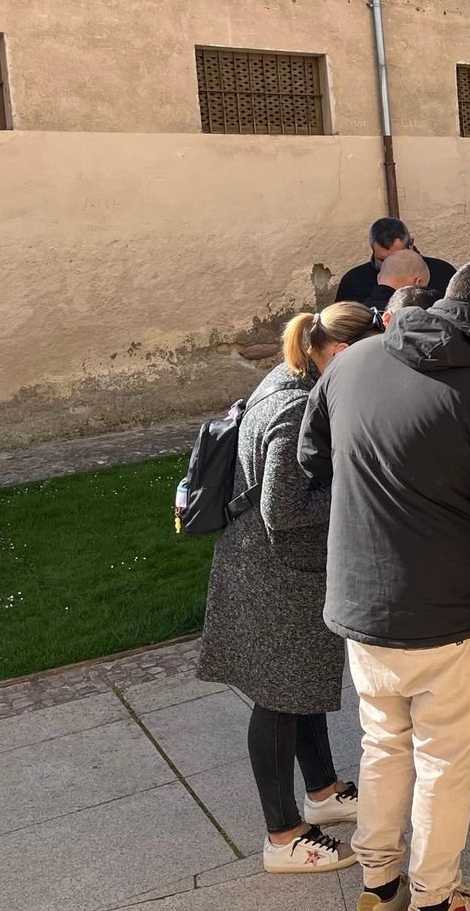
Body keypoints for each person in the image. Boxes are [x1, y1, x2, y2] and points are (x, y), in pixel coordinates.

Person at [300, 255, 470, 911]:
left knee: (384, 744)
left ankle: (378, 886)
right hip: (452, 619)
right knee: (440, 766)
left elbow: (310, 458)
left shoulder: (352, 362)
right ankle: (435, 898)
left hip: (366, 608)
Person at [197, 301, 380, 874]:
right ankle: (283, 836)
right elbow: (283, 507)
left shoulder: (294, 375)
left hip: (278, 569)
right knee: (278, 701)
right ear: (344, 354)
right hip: (274, 575)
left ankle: (322, 794)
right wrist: (360, 487)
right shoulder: (297, 405)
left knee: (300, 689)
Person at [335, 217, 456, 304]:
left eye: (398, 257)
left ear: (411, 243)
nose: (390, 265)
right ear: (372, 249)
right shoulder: (353, 281)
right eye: (382, 260)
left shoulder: (444, 272)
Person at [364, 250, 431, 315]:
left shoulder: (360, 313)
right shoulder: (414, 318)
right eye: (424, 288)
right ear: (418, 283)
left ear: (378, 277)